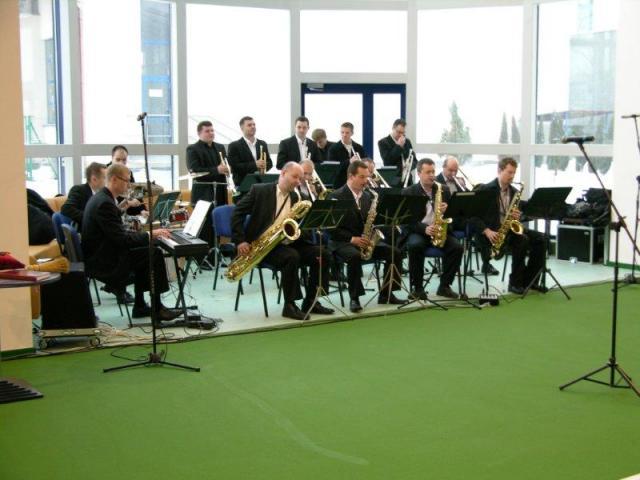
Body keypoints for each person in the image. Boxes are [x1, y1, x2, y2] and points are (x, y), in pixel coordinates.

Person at [231, 162, 334, 320]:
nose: (298, 182)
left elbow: (305, 228)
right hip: (264, 247)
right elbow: (237, 213)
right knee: (291, 257)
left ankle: (311, 301)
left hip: (290, 243)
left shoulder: (299, 197)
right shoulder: (260, 191)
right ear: (283, 173)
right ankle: (289, 306)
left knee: (322, 254)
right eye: (295, 177)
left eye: (300, 179)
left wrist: (299, 231)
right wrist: (240, 241)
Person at [81, 164, 181, 321]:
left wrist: (145, 236)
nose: (129, 185)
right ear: (114, 179)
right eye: (127, 181)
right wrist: (149, 234)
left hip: (103, 254)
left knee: (147, 249)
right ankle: (157, 309)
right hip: (104, 263)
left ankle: (140, 306)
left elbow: (117, 234)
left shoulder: (103, 198)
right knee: (153, 253)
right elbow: (122, 239)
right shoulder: (104, 203)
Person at [328, 160, 404, 313]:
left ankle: (387, 293)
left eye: (367, 177)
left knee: (394, 253)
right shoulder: (335, 196)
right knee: (354, 256)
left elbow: (373, 221)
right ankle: (354, 298)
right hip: (343, 242)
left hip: (365, 240)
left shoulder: (369, 196)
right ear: (351, 176)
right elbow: (330, 229)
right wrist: (352, 239)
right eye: (362, 177)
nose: (366, 181)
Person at [475, 157, 545, 294]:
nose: (512, 176)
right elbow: (472, 216)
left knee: (541, 238)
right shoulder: (485, 190)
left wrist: (518, 216)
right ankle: (515, 283)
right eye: (509, 172)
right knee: (522, 240)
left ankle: (531, 281)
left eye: (514, 173)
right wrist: (486, 230)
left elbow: (517, 214)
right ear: (499, 171)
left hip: (508, 228)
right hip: (492, 232)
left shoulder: (514, 192)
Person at [402, 158, 464, 300]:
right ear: (419, 173)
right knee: (415, 246)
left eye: (433, 172)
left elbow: (454, 216)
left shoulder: (443, 189)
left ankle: (444, 286)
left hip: (440, 229)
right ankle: (418, 289)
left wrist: (448, 210)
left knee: (457, 248)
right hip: (419, 231)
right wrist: (424, 229)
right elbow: (406, 220)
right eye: (428, 172)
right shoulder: (409, 192)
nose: (432, 175)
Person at [437, 155, 499, 276]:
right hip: (446, 220)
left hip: (460, 218)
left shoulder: (458, 181)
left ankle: (486, 263)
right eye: (450, 170)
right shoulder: (436, 182)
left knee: (479, 223)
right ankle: (450, 266)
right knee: (477, 224)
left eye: (455, 170)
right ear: (443, 167)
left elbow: (469, 200)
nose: (453, 173)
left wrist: (464, 188)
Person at [186, 120, 229, 208]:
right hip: (203, 194)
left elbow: (225, 165)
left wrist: (228, 169)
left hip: (220, 192)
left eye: (212, 130)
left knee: (221, 216)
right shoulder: (192, 149)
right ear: (199, 134)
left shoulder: (220, 147)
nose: (211, 133)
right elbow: (194, 170)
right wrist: (217, 170)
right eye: (207, 131)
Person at [227, 116, 272, 187]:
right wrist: (255, 165)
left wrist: (265, 165)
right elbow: (234, 167)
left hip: (261, 184)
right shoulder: (234, 146)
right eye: (249, 125)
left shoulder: (262, 143)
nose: (253, 127)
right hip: (242, 184)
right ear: (242, 128)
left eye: (254, 124)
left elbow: (270, 163)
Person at [61, 162, 107, 228]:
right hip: (85, 230)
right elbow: (66, 208)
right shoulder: (79, 190)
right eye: (105, 178)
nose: (107, 181)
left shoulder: (102, 193)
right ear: (94, 179)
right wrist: (91, 218)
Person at [106, 145, 145, 215]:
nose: (121, 163)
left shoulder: (128, 172)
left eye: (124, 160)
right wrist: (129, 202)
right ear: (112, 158)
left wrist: (142, 210)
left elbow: (136, 192)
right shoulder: (105, 171)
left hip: (128, 210)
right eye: (118, 160)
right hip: (112, 209)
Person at [327, 122, 367, 189]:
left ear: (352, 133)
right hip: (340, 183)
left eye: (347, 133)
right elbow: (333, 169)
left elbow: (364, 165)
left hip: (356, 182)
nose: (344, 135)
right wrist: (349, 161)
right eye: (342, 132)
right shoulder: (333, 148)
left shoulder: (359, 147)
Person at [378, 118, 415, 186]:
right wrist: (398, 146)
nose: (401, 135)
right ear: (393, 128)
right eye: (398, 132)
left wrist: (409, 167)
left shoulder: (407, 141)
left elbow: (414, 160)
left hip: (408, 180)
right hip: (393, 180)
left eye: (403, 133)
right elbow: (387, 161)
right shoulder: (383, 142)